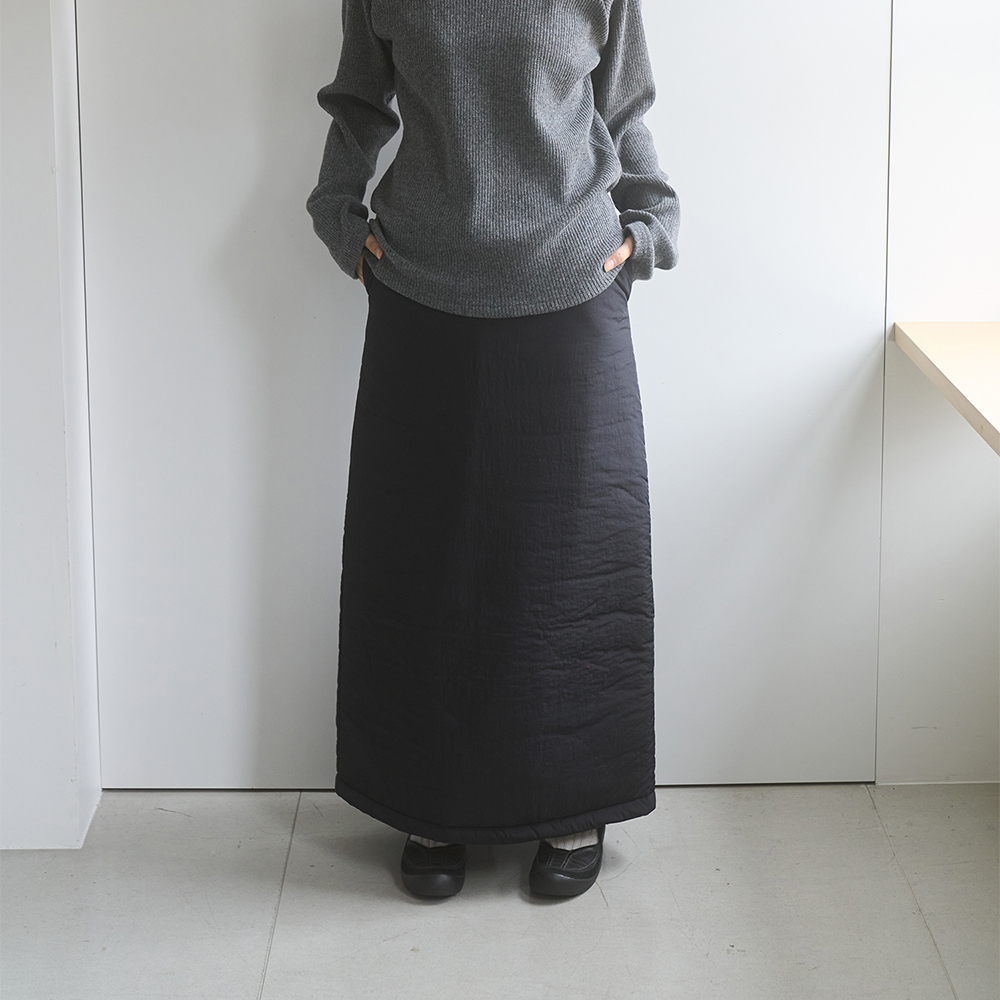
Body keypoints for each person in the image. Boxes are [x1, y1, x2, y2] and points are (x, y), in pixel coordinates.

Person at [307, 0, 679, 899]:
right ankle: (429, 804)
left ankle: (573, 805)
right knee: (427, 558)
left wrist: (648, 227)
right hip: (421, 281)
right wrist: (340, 219)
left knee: (573, 560)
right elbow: (357, 103)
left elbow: (626, 104)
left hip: (570, 276)